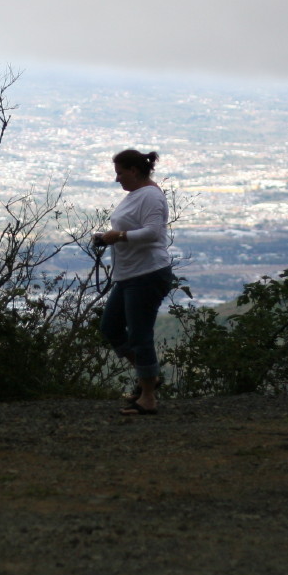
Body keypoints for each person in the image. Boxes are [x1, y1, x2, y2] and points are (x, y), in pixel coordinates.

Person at [96, 149, 173, 415]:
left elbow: (153, 233)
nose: (117, 179)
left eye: (120, 173)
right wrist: (108, 237)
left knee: (140, 335)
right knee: (111, 327)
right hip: (129, 274)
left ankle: (148, 398)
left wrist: (119, 236)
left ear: (134, 170)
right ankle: (148, 376)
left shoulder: (151, 196)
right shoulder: (136, 194)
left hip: (147, 273)